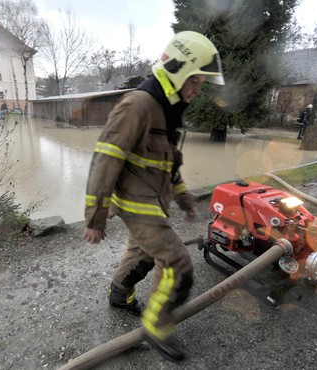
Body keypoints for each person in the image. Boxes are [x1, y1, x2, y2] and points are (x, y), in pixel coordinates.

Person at [83, 31, 224, 362]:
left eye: (201, 84)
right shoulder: (138, 105)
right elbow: (105, 159)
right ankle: (157, 325)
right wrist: (95, 217)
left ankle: (120, 294)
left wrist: (184, 198)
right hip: (136, 204)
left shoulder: (167, 111)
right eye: (195, 82)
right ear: (176, 70)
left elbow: (167, 165)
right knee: (176, 262)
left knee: (144, 255)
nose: (197, 91)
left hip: (153, 202)